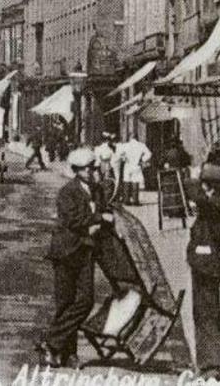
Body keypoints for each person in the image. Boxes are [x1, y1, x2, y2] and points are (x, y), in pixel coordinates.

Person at [38, 147, 113, 368]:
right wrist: (100, 218)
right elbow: (75, 219)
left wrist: (101, 221)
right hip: (65, 251)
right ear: (76, 171)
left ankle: (51, 342)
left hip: (85, 251)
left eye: (93, 168)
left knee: (86, 301)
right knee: (65, 303)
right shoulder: (67, 192)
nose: (91, 173)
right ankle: (68, 354)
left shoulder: (97, 190)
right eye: (86, 169)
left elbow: (102, 214)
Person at [183, 163, 220, 378]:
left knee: (207, 312)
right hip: (205, 263)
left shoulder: (217, 203)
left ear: (210, 185)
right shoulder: (219, 201)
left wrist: (194, 177)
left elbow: (192, 190)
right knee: (205, 312)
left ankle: (214, 363)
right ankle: (212, 360)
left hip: (208, 265)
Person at [115, 131, 151, 206]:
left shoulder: (125, 145)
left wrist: (123, 158)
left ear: (129, 137)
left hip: (128, 165)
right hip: (136, 165)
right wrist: (142, 160)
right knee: (135, 181)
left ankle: (126, 200)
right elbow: (149, 154)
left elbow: (118, 154)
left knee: (127, 181)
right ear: (137, 137)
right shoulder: (141, 145)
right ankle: (135, 200)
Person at [94, 131, 118, 200]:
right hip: (107, 165)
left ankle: (100, 198)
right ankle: (106, 199)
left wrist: (97, 167)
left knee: (99, 182)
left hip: (99, 165)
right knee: (107, 182)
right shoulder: (110, 149)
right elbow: (113, 160)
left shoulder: (97, 148)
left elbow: (97, 159)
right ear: (107, 140)